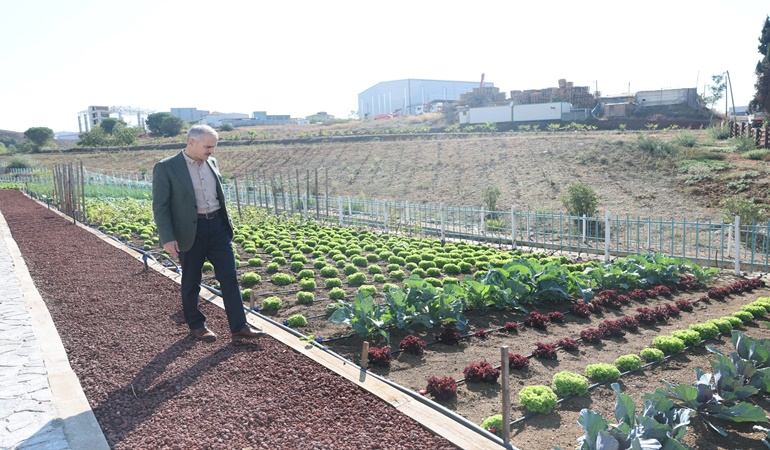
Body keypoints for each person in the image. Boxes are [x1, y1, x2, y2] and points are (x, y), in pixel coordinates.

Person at [152, 124, 264, 342]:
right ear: (191, 142)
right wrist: (167, 237)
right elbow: (160, 205)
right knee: (192, 280)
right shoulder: (166, 167)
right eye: (208, 146)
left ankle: (239, 326)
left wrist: (226, 225)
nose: (211, 151)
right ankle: (196, 325)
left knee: (229, 277)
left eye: (214, 147)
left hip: (217, 228)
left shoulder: (212, 162)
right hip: (189, 231)